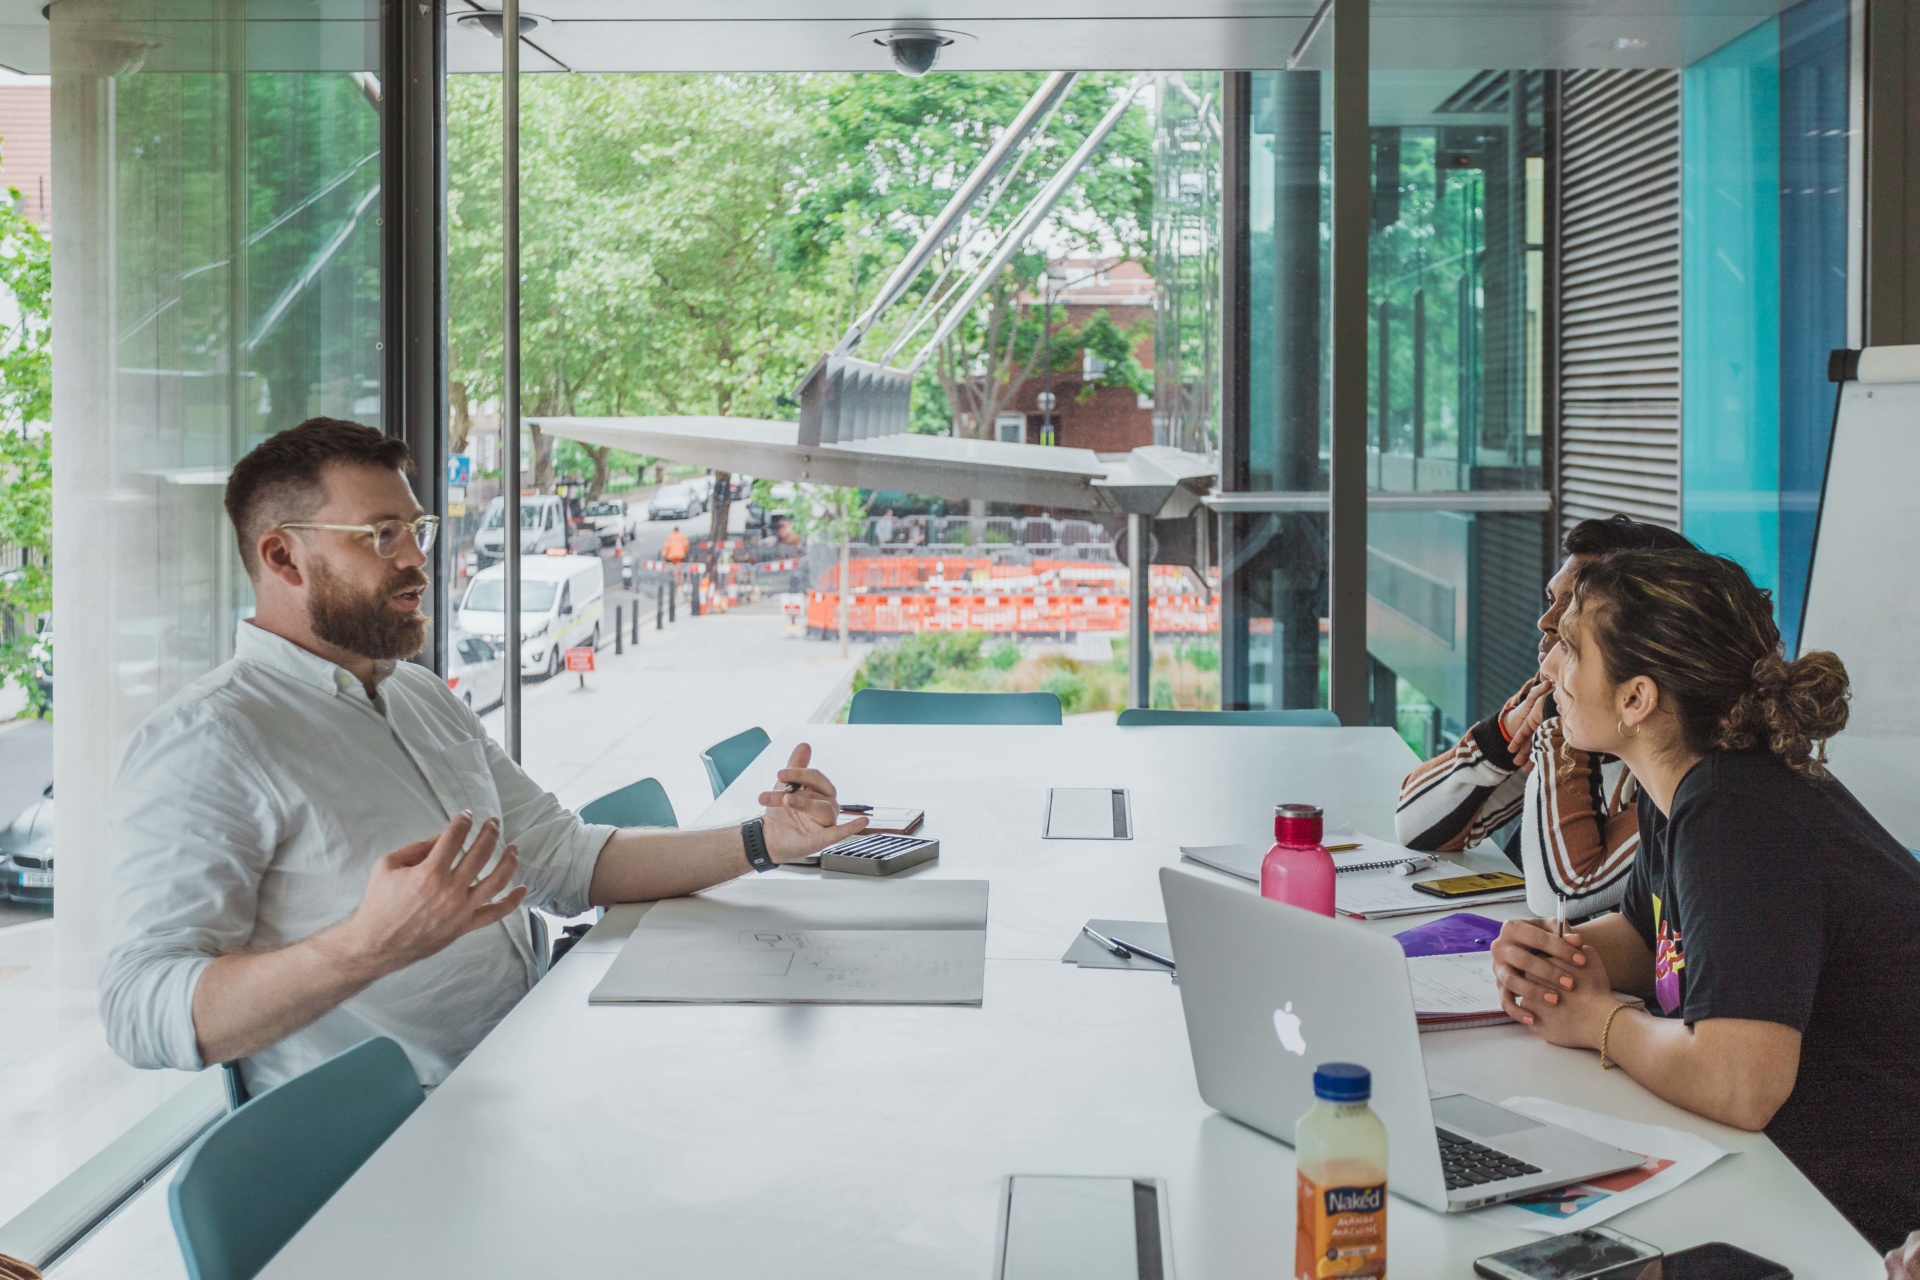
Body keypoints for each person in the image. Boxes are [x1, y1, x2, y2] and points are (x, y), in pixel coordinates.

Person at [100, 419, 866, 1095]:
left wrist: (766, 842)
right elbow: (140, 1011)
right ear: (283, 558)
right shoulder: (209, 743)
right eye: (380, 536)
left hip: (532, 1064)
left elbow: (566, 862)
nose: (416, 561)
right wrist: (368, 946)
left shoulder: (418, 695)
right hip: (404, 1143)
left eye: (415, 529)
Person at [1488, 548, 1920, 1252]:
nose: (1549, 670)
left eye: (1570, 649)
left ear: (1637, 699)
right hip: (1803, 1174)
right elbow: (1647, 933)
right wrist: (1553, 958)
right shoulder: (1689, 779)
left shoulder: (1735, 808)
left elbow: (1740, 1081)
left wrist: (1598, 1021)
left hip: (1860, 1214)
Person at [1395, 515, 1695, 917]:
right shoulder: (1566, 702)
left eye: (1572, 609)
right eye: (1551, 601)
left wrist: (1557, 725)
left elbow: (1562, 896)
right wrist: (1501, 739)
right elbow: (1416, 827)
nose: (1546, 621)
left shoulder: (1676, 756)